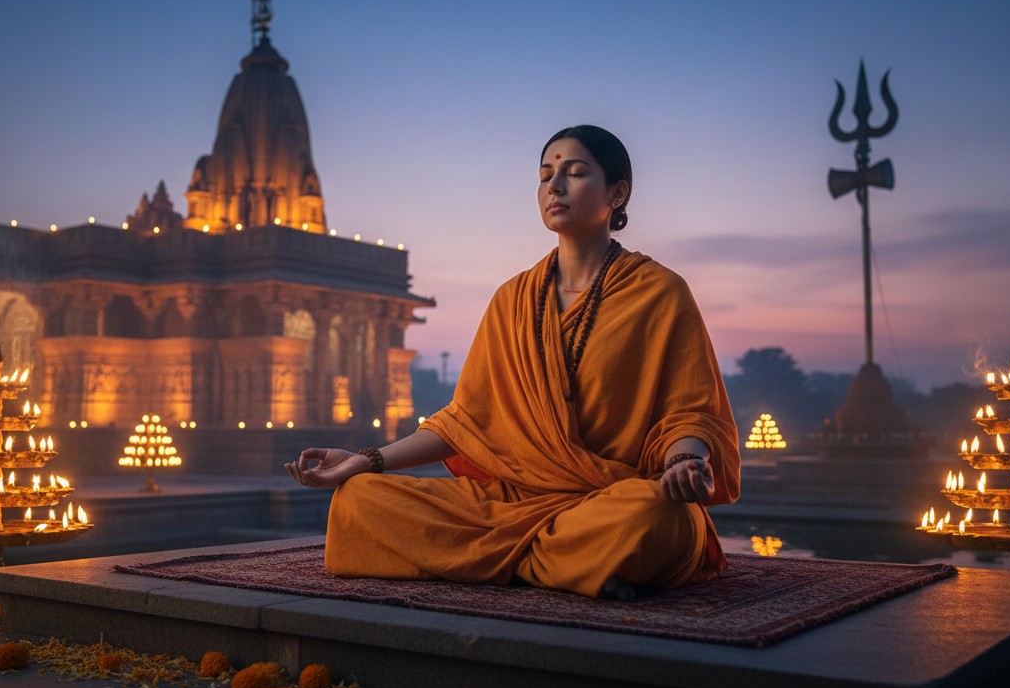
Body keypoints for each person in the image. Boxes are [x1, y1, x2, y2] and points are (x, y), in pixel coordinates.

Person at [286, 125, 740, 599]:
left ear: (618, 193)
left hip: (607, 500)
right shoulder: (514, 300)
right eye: (545, 175)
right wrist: (366, 461)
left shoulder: (660, 293)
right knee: (359, 498)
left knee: (661, 515)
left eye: (576, 172)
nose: (554, 187)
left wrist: (684, 463)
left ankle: (499, 559)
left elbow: (689, 412)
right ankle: (567, 565)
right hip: (508, 501)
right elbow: (464, 423)